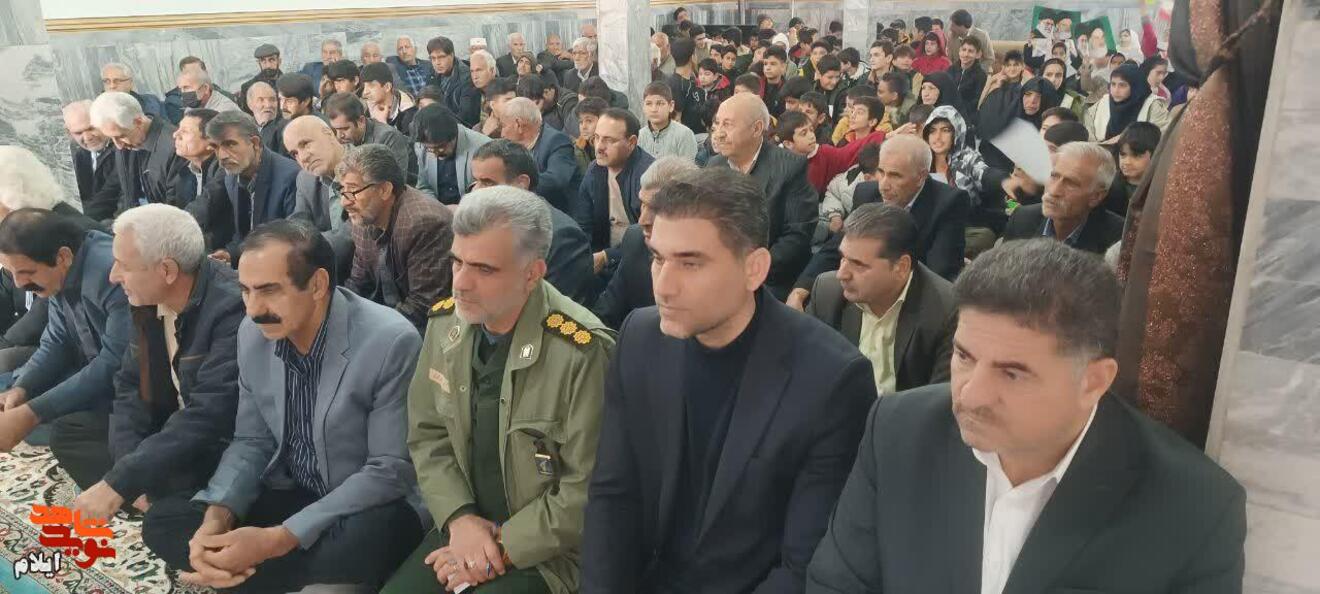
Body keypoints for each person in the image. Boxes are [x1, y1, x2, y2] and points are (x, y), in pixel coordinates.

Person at [806, 239, 1247, 593]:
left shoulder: (1193, 507)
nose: (971, 394)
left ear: (1094, 381)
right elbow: (837, 582)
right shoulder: (899, 430)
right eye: (964, 356)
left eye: (1013, 373)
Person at [582, 166, 876, 592]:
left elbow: (805, 565)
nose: (663, 286)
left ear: (754, 268)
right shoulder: (639, 339)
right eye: (658, 258)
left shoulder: (833, 380)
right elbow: (612, 496)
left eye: (690, 263)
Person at [141, 219, 428, 593]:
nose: (253, 309)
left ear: (318, 284)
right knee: (164, 521)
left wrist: (279, 539)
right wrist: (218, 516)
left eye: (269, 291)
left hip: (360, 504)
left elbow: (388, 470)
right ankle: (276, 571)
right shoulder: (253, 333)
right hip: (292, 489)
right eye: (245, 291)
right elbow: (252, 441)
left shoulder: (390, 341)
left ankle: (251, 572)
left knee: (370, 538)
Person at [381, 186, 612, 593]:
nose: (460, 284)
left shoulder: (582, 352)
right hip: (464, 527)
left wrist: (499, 548)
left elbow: (586, 491)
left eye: (484, 269)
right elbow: (428, 435)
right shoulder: (446, 327)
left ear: (532, 273)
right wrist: (459, 519)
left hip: (548, 551)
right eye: (457, 262)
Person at [70, 204, 243, 525]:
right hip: (168, 427)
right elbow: (129, 386)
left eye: (123, 265)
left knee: (162, 524)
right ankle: (151, 497)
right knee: (70, 432)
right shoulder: (146, 300)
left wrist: (123, 480)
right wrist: (127, 474)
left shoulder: (231, 310)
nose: (113, 276)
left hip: (212, 442)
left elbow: (209, 415)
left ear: (167, 270)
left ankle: (165, 505)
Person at [0, 210, 129, 487]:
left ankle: (130, 489)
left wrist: (32, 413)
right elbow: (56, 341)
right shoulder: (60, 275)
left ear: (63, 257)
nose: (20, 284)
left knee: (62, 430)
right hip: (92, 369)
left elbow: (114, 362)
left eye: (27, 272)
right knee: (12, 389)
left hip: (133, 385)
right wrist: (23, 389)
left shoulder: (111, 274)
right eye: (12, 273)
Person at [790, 135, 970, 309]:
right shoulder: (867, 194)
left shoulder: (948, 203)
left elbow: (940, 272)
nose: (883, 185)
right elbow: (835, 247)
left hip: (914, 303)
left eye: (895, 176)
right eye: (881, 172)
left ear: (921, 176)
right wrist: (799, 291)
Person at [805, 202, 956, 395]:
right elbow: (807, 369)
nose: (841, 274)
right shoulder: (827, 292)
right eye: (843, 258)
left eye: (858, 264)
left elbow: (938, 402)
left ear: (901, 267)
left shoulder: (946, 311)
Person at [0, 150, 103, 378]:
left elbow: (47, 310)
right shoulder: (15, 228)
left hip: (72, 349)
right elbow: (6, 284)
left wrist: (5, 342)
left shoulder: (73, 231)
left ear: (12, 198)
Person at [708, 93, 818, 298]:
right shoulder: (714, 166)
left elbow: (797, 235)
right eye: (717, 124)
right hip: (721, 272)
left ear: (757, 129)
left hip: (770, 277)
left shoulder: (790, 167)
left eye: (728, 125)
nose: (719, 133)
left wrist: (748, 271)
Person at [340, 145, 454, 332]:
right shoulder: (364, 218)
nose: (345, 201)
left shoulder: (424, 223)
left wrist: (365, 332)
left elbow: (422, 306)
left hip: (423, 331)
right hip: (387, 318)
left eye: (353, 190)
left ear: (385, 190)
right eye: (343, 190)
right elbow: (359, 283)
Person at [469, 140, 594, 304]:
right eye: (476, 181)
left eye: (487, 183)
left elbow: (551, 308)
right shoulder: (480, 223)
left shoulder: (563, 238)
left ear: (521, 183)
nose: (476, 191)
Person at [591, 155, 696, 329]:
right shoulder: (636, 240)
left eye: (657, 209)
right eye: (643, 204)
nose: (643, 220)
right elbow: (605, 315)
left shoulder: (710, 260)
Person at [205, 110, 301, 265]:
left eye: (230, 144)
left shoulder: (291, 177)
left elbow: (293, 242)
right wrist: (231, 255)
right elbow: (243, 235)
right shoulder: (231, 176)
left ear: (255, 143)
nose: (222, 156)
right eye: (215, 147)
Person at [1003, 142, 1123, 254]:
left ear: (1096, 196)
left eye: (1071, 183)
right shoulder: (1021, 219)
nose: (1054, 191)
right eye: (1053, 176)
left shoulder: (1119, 239)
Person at [923, 105, 1008, 258]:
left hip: (965, 226)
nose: (938, 137)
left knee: (982, 238)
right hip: (931, 225)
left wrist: (1005, 181)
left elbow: (984, 173)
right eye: (932, 131)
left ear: (957, 132)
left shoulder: (967, 158)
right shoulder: (922, 161)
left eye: (945, 130)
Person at [579, 108, 655, 266]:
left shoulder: (649, 176)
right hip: (600, 256)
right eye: (596, 138)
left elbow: (651, 233)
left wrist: (607, 256)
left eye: (609, 140)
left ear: (631, 143)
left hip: (641, 261)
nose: (599, 147)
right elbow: (583, 223)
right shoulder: (595, 170)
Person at [282, 115, 354, 278]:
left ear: (329, 134)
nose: (303, 157)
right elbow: (299, 221)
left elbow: (354, 233)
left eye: (305, 144)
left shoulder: (366, 167)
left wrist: (303, 252)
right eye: (295, 153)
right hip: (325, 270)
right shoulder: (305, 178)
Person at [90, 91, 179, 216]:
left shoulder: (175, 148)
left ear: (138, 122)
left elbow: (176, 210)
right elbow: (113, 190)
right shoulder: (125, 146)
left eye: (121, 136)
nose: (118, 145)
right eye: (111, 139)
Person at [500, 98, 578, 220]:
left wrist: (515, 185)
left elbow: (556, 180)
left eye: (504, 126)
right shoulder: (510, 146)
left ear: (519, 124)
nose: (502, 133)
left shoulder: (557, 141)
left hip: (555, 216)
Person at [777, 110, 882, 196]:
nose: (811, 136)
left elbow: (849, 153)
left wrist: (884, 136)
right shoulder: (777, 165)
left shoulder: (824, 153)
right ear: (788, 144)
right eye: (803, 133)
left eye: (811, 130)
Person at [164, 109, 227, 248]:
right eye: (178, 129)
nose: (175, 135)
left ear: (211, 143)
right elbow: (172, 206)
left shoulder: (225, 169)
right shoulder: (182, 169)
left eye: (185, 132)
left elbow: (204, 207)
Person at [322, 92, 415, 180]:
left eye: (345, 129)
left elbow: (396, 182)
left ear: (361, 121)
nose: (339, 136)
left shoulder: (388, 137)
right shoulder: (341, 141)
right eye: (336, 129)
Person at [414, 103, 492, 205]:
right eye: (430, 149)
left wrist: (460, 209)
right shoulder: (421, 146)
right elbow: (424, 187)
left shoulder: (483, 148)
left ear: (454, 135)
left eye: (440, 148)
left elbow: (489, 194)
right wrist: (437, 208)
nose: (435, 154)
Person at [64, 100, 121, 221]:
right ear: (69, 133)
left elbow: (110, 196)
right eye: (78, 132)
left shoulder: (123, 149)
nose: (87, 137)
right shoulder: (80, 155)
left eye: (91, 128)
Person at [1084, 63, 1172, 142]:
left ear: (1135, 87)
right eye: (1113, 84)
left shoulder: (1152, 106)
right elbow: (1088, 130)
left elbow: (1163, 136)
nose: (1116, 90)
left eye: (1122, 85)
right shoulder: (1103, 103)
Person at [427, 36, 482, 127]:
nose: (437, 62)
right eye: (433, 58)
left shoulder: (467, 77)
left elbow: (466, 117)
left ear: (452, 55)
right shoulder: (433, 73)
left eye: (441, 57)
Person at [1109, 121, 1161, 216]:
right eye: (1123, 155)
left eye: (1136, 155)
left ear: (1155, 154)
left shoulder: (1161, 187)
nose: (1127, 162)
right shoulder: (1111, 186)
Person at [638, 82, 699, 161]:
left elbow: (688, 167)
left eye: (660, 104)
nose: (654, 109)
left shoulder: (684, 134)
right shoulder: (640, 136)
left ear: (671, 106)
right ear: (643, 107)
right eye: (648, 104)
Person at [362, 62, 417, 136]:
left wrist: (382, 124)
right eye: (364, 86)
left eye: (371, 86)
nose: (365, 92)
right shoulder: (364, 108)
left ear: (387, 87)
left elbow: (406, 142)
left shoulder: (409, 114)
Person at [100, 62, 165, 121]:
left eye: (117, 81)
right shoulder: (98, 110)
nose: (112, 86)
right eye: (107, 81)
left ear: (130, 83)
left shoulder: (149, 101)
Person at [948, 36, 989, 122]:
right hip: (947, 110)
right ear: (959, 51)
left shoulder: (981, 76)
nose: (966, 54)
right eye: (964, 50)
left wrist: (957, 110)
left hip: (966, 115)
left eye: (970, 51)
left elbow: (976, 101)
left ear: (978, 54)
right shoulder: (951, 69)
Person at [245, 80, 289, 158]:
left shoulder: (284, 129)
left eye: (272, 100)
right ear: (250, 104)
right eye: (261, 100)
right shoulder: (244, 128)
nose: (268, 105)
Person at [240, 45, 284, 114]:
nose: (268, 65)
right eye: (263, 61)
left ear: (279, 61)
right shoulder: (248, 87)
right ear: (259, 63)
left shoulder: (291, 84)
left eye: (271, 60)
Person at [177, 68, 241, 113]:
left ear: (205, 88)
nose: (183, 92)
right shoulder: (190, 109)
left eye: (187, 87)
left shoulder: (224, 111)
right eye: (180, 89)